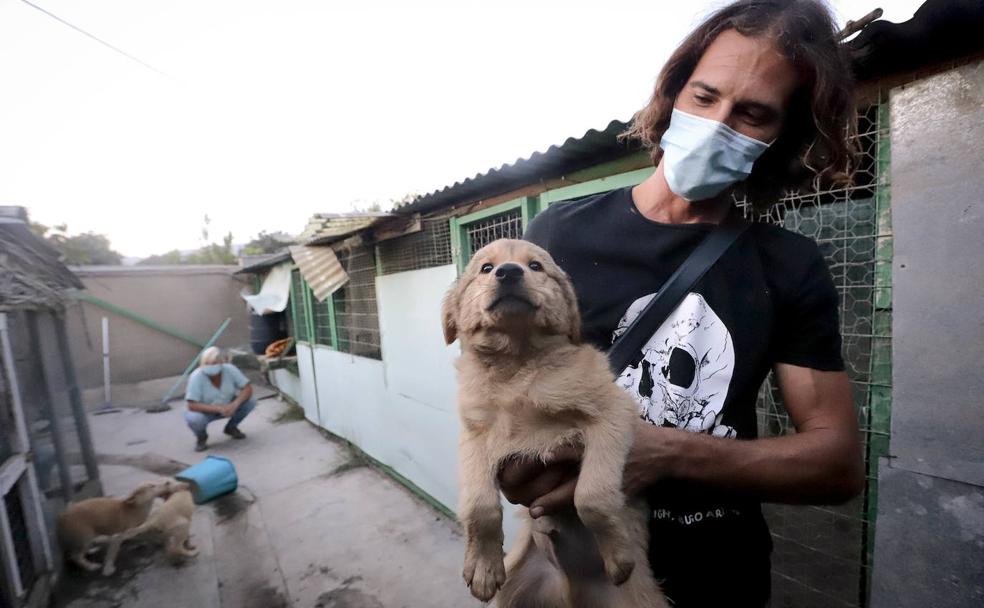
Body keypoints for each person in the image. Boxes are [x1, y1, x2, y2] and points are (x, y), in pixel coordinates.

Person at [507, 1, 865, 606]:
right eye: (705, 97)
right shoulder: (556, 236)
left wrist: (666, 452)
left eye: (751, 114)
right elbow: (501, 394)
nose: (718, 123)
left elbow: (837, 464)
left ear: (781, 138)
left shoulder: (789, 266)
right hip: (576, 571)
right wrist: (518, 461)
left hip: (719, 577)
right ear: (674, 94)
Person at [184, 347, 257, 452]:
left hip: (229, 404)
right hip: (205, 410)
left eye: (214, 363)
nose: (210, 366)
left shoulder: (230, 369)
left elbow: (247, 388)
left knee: (251, 402)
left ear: (221, 363)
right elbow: (191, 404)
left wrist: (235, 404)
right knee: (194, 419)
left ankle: (231, 428)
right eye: (206, 363)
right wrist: (218, 409)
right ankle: (201, 437)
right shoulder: (196, 376)